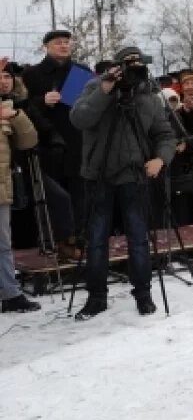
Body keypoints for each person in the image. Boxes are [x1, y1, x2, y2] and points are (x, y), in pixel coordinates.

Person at [70, 46, 176, 319]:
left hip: (134, 175)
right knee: (95, 240)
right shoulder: (96, 87)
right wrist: (105, 90)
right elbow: (79, 118)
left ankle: (143, 295)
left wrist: (160, 159)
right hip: (98, 175)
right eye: (128, 63)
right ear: (116, 66)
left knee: (139, 239)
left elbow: (166, 134)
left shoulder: (149, 97)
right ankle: (96, 297)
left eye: (138, 63)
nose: (133, 67)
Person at [21, 29, 87, 247]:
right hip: (48, 144)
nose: (64, 46)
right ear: (46, 47)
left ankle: (78, 241)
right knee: (55, 198)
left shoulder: (81, 72)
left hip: (78, 142)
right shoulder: (32, 74)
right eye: (58, 42)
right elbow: (24, 106)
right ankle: (54, 242)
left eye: (67, 42)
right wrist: (42, 101)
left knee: (80, 195)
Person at [1, 57, 41, 313]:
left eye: (7, 76)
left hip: (1, 187)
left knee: (3, 245)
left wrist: (14, 115)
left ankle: (10, 295)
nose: (3, 80)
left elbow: (29, 140)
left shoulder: (11, 107)